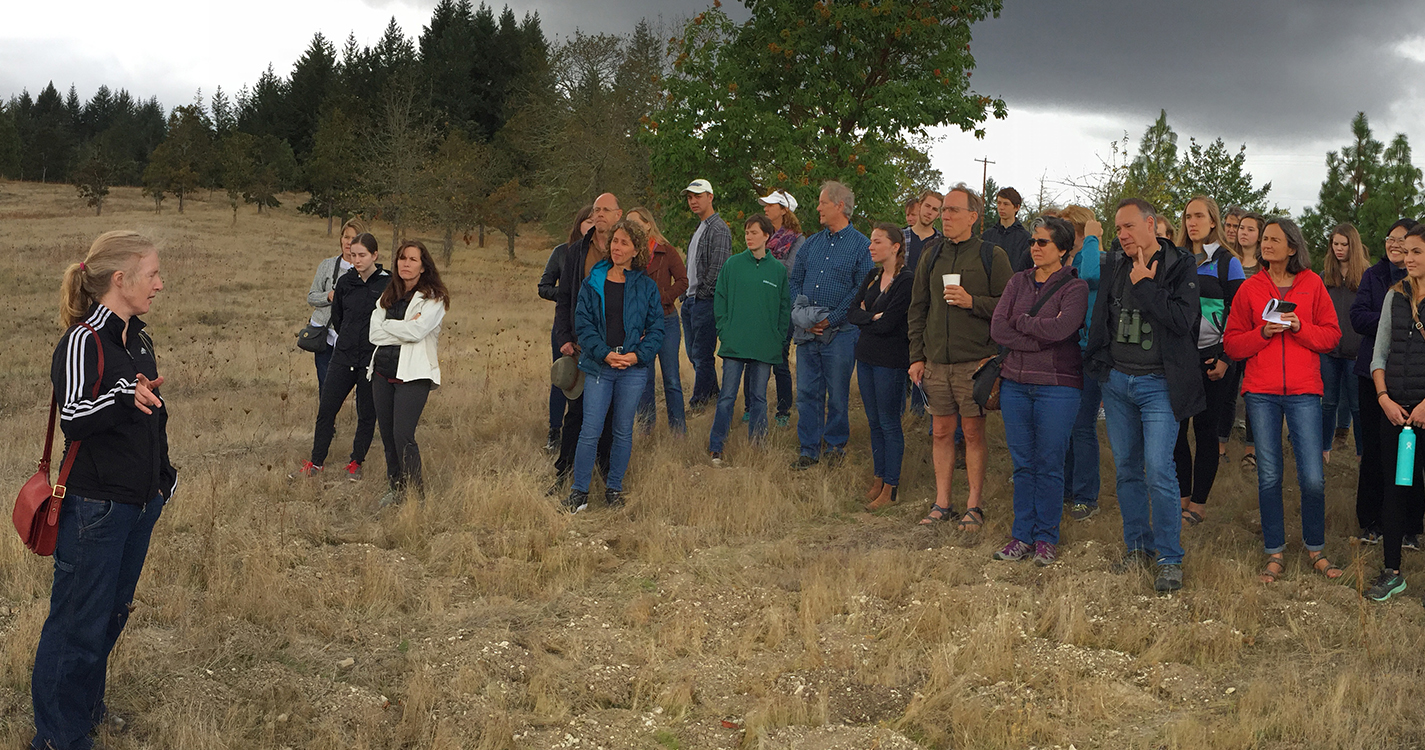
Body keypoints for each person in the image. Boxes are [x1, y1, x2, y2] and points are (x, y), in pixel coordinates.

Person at [34, 231, 176, 750]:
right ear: (121, 279)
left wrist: (164, 480)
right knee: (77, 626)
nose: (159, 284)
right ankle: (58, 737)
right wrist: (120, 395)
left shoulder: (137, 336)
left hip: (138, 504)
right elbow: (73, 417)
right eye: (153, 274)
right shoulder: (83, 340)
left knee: (110, 616)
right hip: (94, 507)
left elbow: (151, 418)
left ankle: (84, 712)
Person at [1085, 197, 1204, 593]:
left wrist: (1147, 286)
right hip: (1118, 383)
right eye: (1117, 228)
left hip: (1158, 386)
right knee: (1127, 470)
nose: (1121, 235)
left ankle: (1170, 558)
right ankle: (1137, 547)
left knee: (1159, 469)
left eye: (1128, 227)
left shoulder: (1181, 264)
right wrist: (1101, 365)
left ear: (1151, 225)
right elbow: (1101, 313)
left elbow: (1182, 321)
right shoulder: (1116, 262)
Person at [1224, 217, 1342, 583]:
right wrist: (1262, 332)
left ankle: (1316, 550)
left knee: (1311, 477)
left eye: (1275, 239)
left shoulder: (1313, 285)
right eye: (1265, 239)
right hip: (1261, 392)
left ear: (1293, 247)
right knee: (1269, 476)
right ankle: (1274, 552)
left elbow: (1332, 336)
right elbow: (1232, 343)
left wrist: (1299, 328)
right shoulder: (1251, 288)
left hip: (1306, 391)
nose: (1266, 244)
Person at [907, 184, 1013, 529]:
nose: (945, 216)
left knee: (972, 432)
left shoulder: (991, 256)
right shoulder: (931, 255)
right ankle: (941, 503)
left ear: (973, 216)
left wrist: (973, 302)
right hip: (936, 362)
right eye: (943, 210)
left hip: (975, 362)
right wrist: (916, 356)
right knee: (940, 431)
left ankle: (974, 505)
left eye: (953, 210)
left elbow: (1008, 306)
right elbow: (918, 308)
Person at [990, 217, 1090, 565]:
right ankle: (1021, 535)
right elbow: (999, 328)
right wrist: (1037, 337)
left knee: (1049, 463)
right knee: (1023, 464)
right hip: (1015, 385)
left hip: (1057, 387)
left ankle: (1046, 537)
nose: (1035, 246)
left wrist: (1024, 324)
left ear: (1062, 249)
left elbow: (1063, 328)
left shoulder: (1075, 288)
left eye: (1043, 242)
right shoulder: (1018, 281)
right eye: (1033, 240)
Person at [566, 219, 665, 512]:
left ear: (636, 250)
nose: (617, 247)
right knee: (590, 429)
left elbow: (657, 328)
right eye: (615, 241)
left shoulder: (646, 287)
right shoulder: (592, 281)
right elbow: (583, 325)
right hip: (600, 366)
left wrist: (636, 356)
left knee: (623, 430)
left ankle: (614, 489)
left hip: (632, 370)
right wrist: (605, 354)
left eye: (624, 242)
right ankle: (579, 492)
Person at [789, 181, 874, 469]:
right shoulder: (811, 243)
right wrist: (801, 315)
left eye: (822, 202)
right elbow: (794, 280)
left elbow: (860, 288)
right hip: (807, 332)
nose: (817, 208)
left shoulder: (862, 246)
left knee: (837, 394)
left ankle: (835, 448)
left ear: (839, 205)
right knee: (807, 393)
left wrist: (830, 319)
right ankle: (809, 450)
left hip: (840, 333)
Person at [293, 233, 389, 480]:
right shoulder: (346, 282)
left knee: (367, 412)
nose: (357, 260)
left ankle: (356, 462)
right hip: (343, 355)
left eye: (362, 255)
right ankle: (316, 462)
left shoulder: (387, 284)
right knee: (327, 408)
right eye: (354, 255)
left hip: (371, 360)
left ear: (374, 255)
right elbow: (338, 317)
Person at [1173, 196, 1245, 527]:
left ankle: (1199, 505)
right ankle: (1182, 498)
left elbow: (1240, 313)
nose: (1192, 222)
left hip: (1214, 358)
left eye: (1199, 216)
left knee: (1205, 433)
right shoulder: (1176, 258)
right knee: (1175, 432)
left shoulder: (1227, 262)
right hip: (1179, 359)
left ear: (1213, 221)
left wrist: (1226, 358)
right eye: (1188, 216)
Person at [1365, 223, 1425, 600]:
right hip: (1396, 414)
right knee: (1395, 488)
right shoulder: (1394, 296)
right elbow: (1379, 354)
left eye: (1417, 252)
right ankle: (1392, 572)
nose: (1408, 258)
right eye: (1407, 251)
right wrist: (1384, 397)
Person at [1351, 218, 1418, 545]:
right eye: (1390, 238)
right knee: (1374, 452)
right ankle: (1372, 521)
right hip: (1373, 376)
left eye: (1401, 240)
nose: (1394, 245)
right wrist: (1393, 317)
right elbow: (1357, 317)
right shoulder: (1373, 276)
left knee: (1412, 456)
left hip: (1415, 383)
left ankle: (1410, 527)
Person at [368, 240, 449, 508]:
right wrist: (403, 326)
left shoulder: (434, 299)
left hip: (413, 376)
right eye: (402, 258)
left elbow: (417, 333)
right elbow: (373, 334)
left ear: (423, 266)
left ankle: (416, 495)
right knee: (388, 435)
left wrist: (391, 327)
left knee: (403, 434)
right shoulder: (386, 296)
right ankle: (396, 487)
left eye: (412, 259)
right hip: (382, 373)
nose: (406, 263)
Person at [550, 194, 620, 494]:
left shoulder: (626, 250)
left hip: (616, 346)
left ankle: (607, 474)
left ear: (619, 215)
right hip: (582, 345)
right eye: (596, 210)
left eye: (605, 210)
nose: (600, 214)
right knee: (576, 413)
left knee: (610, 414)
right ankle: (564, 472)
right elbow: (564, 296)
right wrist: (564, 337)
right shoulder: (577, 251)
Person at [708, 215, 790, 463]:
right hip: (734, 343)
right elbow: (719, 298)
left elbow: (784, 308)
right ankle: (716, 447)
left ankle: (758, 446)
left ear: (767, 235)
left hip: (765, 345)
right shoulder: (732, 265)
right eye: (746, 232)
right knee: (727, 397)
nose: (749, 236)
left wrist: (778, 337)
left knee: (759, 397)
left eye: (754, 232)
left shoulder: (777, 271)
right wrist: (724, 329)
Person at [848, 223, 915, 510]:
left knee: (889, 422)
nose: (871, 246)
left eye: (877, 242)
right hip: (865, 357)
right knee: (874, 422)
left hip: (891, 361)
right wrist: (871, 317)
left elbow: (890, 323)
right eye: (871, 241)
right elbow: (852, 312)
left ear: (895, 246)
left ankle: (891, 485)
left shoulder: (906, 280)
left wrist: (870, 316)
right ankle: (878, 478)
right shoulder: (873, 275)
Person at [1057, 205, 1104, 521]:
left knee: (1082, 425)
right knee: (1064, 425)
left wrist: (1091, 238)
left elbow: (1089, 277)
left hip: (1089, 351)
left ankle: (1086, 495)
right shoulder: (1062, 260)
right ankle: (1067, 488)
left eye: (1067, 227)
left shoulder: (1097, 257)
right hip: (1064, 350)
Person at [628, 207, 689, 434]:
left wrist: (662, 297)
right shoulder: (630, 254)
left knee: (671, 378)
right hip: (639, 323)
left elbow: (683, 281)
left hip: (666, 320)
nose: (631, 227)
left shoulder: (666, 251)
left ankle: (678, 431)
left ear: (648, 224)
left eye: (634, 223)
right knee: (644, 379)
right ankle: (646, 429)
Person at [539, 206, 595, 451]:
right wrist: (567, 296)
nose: (592, 225)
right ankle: (554, 431)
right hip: (565, 327)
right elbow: (544, 286)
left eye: (596, 220)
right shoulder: (562, 252)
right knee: (563, 377)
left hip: (593, 329)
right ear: (579, 224)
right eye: (588, 221)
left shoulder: (603, 254)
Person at [681, 179, 733, 411]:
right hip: (691, 299)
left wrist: (701, 294)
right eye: (690, 197)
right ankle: (713, 395)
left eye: (698, 196)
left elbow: (718, 269)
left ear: (710, 197)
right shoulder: (700, 227)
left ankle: (698, 401)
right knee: (695, 354)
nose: (693, 201)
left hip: (705, 300)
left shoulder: (718, 228)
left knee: (701, 354)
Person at [1320, 223, 1369, 463]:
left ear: (1353, 245)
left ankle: (1362, 453)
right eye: (1335, 244)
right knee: (1328, 401)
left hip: (1357, 351)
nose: (1339, 249)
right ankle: (1323, 450)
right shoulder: (1325, 276)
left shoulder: (1366, 275)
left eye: (1344, 244)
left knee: (1357, 405)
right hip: (1329, 350)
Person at [756, 189, 805, 427]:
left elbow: (790, 271)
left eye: (771, 205)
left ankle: (784, 408)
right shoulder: (762, 234)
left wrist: (763, 260)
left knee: (780, 358)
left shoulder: (797, 239)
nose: (766, 208)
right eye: (765, 205)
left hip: (783, 305)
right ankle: (751, 406)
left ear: (784, 210)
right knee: (753, 354)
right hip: (760, 302)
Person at [1221, 211, 1266, 466]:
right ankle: (1220, 447)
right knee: (1226, 393)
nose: (1243, 233)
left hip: (1258, 337)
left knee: (1253, 395)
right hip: (1230, 334)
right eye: (1241, 228)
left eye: (1250, 229)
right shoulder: (1228, 261)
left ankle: (1251, 451)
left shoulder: (1265, 266)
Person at [306, 217, 363, 390]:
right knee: (325, 382)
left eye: (353, 238)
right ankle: (326, 417)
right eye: (345, 236)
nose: (348, 242)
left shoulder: (367, 270)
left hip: (350, 337)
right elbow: (311, 296)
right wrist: (329, 296)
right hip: (324, 335)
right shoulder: (327, 265)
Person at [982, 186, 1032, 271]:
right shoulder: (987, 236)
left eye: (1006, 204)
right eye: (999, 203)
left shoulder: (1026, 238)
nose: (1001, 207)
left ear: (1017, 207)